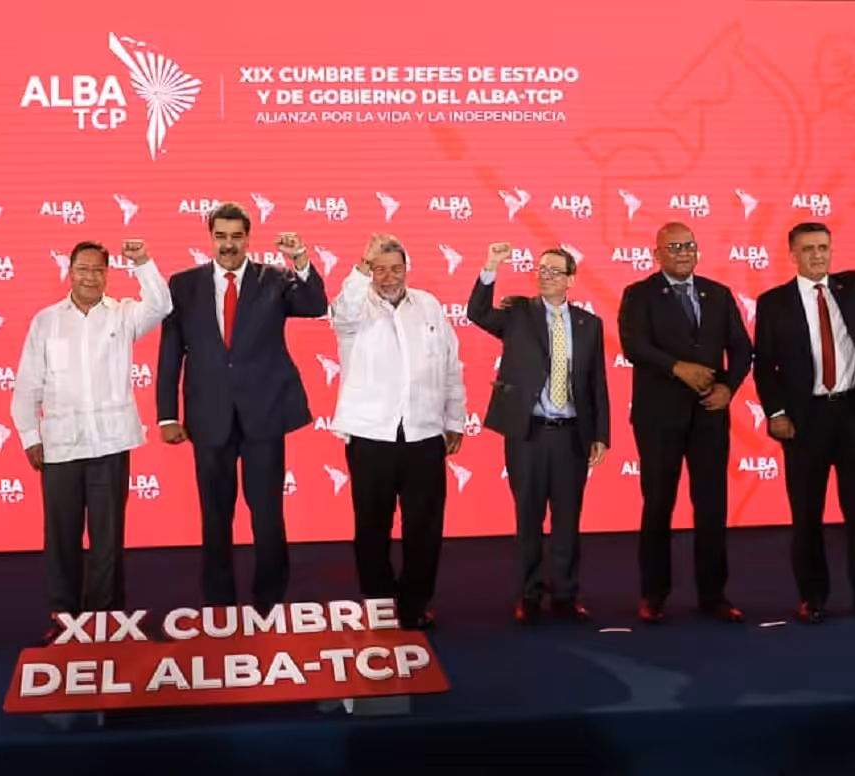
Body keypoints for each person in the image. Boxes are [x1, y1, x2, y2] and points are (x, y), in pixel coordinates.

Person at [156, 201, 328, 612]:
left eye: (236, 236)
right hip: (208, 416)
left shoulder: (276, 279)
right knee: (214, 515)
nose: (228, 245)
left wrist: (301, 259)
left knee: (267, 513)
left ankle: (270, 598)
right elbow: (170, 354)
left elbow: (315, 305)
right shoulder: (182, 285)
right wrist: (167, 415)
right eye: (221, 236)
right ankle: (219, 600)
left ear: (248, 238)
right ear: (210, 238)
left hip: (263, 415)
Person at [753, 209, 855, 624]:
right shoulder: (774, 302)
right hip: (804, 421)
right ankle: (813, 599)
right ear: (792, 254)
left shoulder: (852, 287)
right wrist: (776, 412)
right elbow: (764, 365)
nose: (817, 255)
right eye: (808, 249)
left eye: (823, 247)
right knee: (807, 516)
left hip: (853, 415)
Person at [11, 239, 172, 639]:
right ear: (69, 272)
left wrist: (142, 261)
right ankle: (63, 619)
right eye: (82, 269)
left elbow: (161, 304)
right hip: (60, 446)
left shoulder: (124, 315)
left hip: (110, 445)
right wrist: (29, 434)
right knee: (61, 537)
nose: (90, 277)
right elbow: (28, 382)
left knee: (108, 539)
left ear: (107, 274)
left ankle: (104, 622)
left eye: (98, 269)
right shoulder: (46, 321)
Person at [618, 222, 753, 623]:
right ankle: (654, 595)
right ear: (656, 253)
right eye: (674, 246)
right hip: (658, 417)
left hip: (710, 414)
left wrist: (728, 388)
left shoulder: (718, 293)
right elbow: (634, 345)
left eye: (689, 245)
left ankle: (714, 595)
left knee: (712, 506)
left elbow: (741, 348)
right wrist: (677, 367)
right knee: (659, 504)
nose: (683, 252)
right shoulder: (639, 294)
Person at [468, 243, 610, 624]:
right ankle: (529, 595)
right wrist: (491, 266)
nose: (545, 276)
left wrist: (600, 434)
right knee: (528, 517)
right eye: (541, 269)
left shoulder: (589, 324)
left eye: (554, 271)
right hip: (527, 434)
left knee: (567, 520)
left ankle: (565, 595)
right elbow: (477, 313)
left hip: (571, 436)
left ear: (570, 280)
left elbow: (597, 383)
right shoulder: (518, 314)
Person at [329, 234, 466, 629]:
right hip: (371, 436)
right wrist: (361, 264)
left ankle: (414, 604)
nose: (388, 277)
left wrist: (454, 419)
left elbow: (451, 365)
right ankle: (379, 602)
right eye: (379, 269)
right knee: (372, 525)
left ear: (407, 269)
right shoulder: (355, 308)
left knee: (425, 526)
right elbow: (344, 309)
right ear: (369, 271)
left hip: (424, 434)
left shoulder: (429, 305)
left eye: (395, 268)